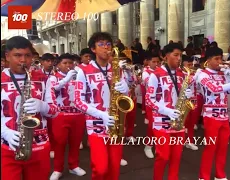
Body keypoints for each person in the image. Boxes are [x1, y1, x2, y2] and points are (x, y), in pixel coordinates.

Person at [1, 36, 58, 180]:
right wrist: (4, 131)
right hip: (8, 146)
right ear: (7, 56)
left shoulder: (44, 79)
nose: (23, 60)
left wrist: (42, 106)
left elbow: (54, 111)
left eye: (27, 55)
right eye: (17, 55)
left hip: (39, 147)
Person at [74, 32, 130, 180]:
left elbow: (125, 99)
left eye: (108, 44)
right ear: (93, 49)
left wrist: (126, 90)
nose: (106, 48)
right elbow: (78, 102)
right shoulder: (83, 71)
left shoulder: (118, 69)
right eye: (101, 44)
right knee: (100, 169)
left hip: (116, 123)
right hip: (96, 125)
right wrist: (102, 115)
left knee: (114, 168)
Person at [196, 47, 230, 180]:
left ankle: (220, 175)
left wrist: (228, 77)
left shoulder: (221, 73)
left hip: (224, 116)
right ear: (208, 60)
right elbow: (214, 89)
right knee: (211, 148)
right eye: (216, 59)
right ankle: (203, 176)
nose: (220, 61)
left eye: (221, 58)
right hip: (211, 117)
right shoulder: (202, 74)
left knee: (223, 148)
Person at [145, 43, 193, 180]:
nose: (179, 59)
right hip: (162, 121)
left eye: (180, 56)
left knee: (177, 157)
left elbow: (182, 95)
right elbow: (149, 99)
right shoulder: (156, 75)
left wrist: (188, 95)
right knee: (163, 156)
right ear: (166, 56)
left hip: (178, 121)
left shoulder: (182, 74)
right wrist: (166, 111)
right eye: (175, 55)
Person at [49, 53, 86, 180]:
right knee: (60, 143)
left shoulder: (79, 77)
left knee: (75, 142)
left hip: (78, 114)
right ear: (58, 65)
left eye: (70, 63)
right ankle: (58, 169)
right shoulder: (54, 77)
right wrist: (66, 79)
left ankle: (73, 165)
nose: (68, 66)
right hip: (60, 115)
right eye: (65, 63)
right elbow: (53, 89)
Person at [142, 52, 161, 159]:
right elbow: (150, 83)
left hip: (162, 102)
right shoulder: (146, 72)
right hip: (151, 103)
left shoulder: (161, 71)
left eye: (158, 62)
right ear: (148, 62)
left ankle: (159, 145)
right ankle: (148, 146)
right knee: (152, 125)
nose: (156, 64)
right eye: (153, 62)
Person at [181, 55, 199, 151]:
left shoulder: (193, 73)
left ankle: (190, 141)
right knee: (183, 122)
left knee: (191, 122)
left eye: (191, 63)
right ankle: (181, 140)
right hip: (183, 100)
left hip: (193, 99)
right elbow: (187, 82)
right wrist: (196, 75)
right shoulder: (179, 73)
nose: (190, 64)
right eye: (188, 62)